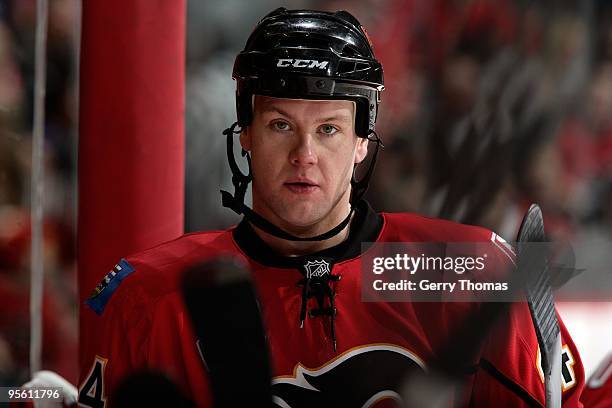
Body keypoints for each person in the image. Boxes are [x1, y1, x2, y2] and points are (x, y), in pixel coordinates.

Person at [78, 8, 585, 407]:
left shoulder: (458, 272)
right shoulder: (152, 294)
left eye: (329, 129)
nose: (305, 155)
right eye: (281, 125)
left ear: (362, 140)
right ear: (246, 133)